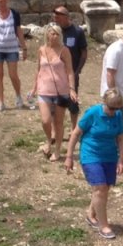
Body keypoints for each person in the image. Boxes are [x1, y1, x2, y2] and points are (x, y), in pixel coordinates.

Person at [65, 88, 123, 240]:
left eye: (117, 108)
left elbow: (120, 137)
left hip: (110, 156)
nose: (113, 111)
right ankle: (104, 225)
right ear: (104, 102)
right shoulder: (92, 113)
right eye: (111, 108)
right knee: (100, 188)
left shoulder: (117, 115)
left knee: (105, 188)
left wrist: (121, 159)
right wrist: (69, 156)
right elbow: (76, 133)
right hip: (90, 155)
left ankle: (91, 214)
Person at [34, 23, 78, 161]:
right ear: (47, 34)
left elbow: (70, 71)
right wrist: (34, 86)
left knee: (59, 122)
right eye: (52, 33)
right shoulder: (41, 49)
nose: (54, 36)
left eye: (57, 34)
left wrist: (72, 89)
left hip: (61, 91)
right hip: (44, 90)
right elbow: (38, 69)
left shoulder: (64, 50)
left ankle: (58, 150)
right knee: (45, 120)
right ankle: (49, 141)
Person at [52, 5, 88, 131]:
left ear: (66, 17)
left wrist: (78, 70)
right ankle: (55, 130)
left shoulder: (77, 32)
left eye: (58, 16)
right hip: (56, 74)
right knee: (55, 101)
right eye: (54, 16)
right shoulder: (55, 32)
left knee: (72, 102)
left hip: (71, 73)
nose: (55, 18)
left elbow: (83, 52)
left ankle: (74, 129)